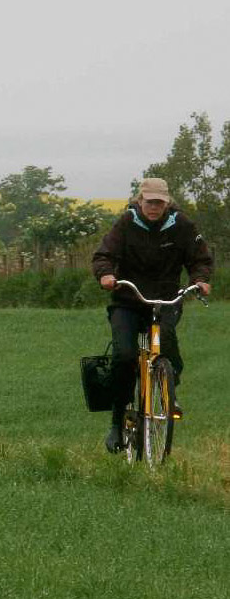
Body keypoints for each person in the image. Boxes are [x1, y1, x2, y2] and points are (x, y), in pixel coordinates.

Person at [91, 177, 213, 452]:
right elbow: (103, 255)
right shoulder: (126, 223)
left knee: (166, 338)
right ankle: (116, 422)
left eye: (159, 202)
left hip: (166, 299)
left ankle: (169, 384)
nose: (154, 207)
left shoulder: (181, 226)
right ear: (140, 200)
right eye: (150, 202)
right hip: (128, 300)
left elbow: (200, 259)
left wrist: (201, 279)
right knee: (124, 356)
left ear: (167, 202)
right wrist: (106, 274)